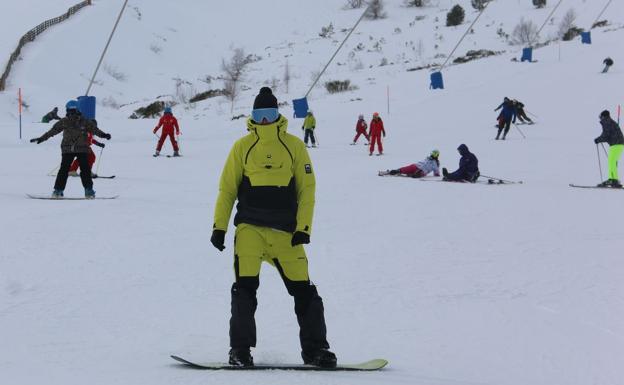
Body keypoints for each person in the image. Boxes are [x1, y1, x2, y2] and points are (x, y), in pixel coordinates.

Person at [210, 87, 336, 368]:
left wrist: (304, 227)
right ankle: (239, 350)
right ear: (252, 116)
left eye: (269, 114)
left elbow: (307, 189)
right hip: (250, 231)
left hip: (286, 234)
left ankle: (316, 349)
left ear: (277, 114)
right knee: (244, 290)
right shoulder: (242, 147)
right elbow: (227, 189)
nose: (264, 121)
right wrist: (220, 226)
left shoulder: (294, 145)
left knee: (305, 291)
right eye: (259, 115)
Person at [29, 100, 111, 198]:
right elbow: (95, 130)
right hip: (80, 149)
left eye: (72, 110)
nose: (71, 112)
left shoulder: (66, 121)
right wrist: (104, 135)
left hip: (70, 149)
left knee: (64, 170)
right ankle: (88, 191)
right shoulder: (83, 121)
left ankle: (58, 191)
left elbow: (53, 131)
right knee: (84, 170)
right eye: (71, 110)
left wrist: (42, 138)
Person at [594, 109, 624, 187]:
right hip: (618, 144)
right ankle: (614, 179)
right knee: (612, 161)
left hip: (616, 144)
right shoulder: (610, 122)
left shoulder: (607, 122)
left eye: (601, 117)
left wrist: (598, 140)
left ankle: (613, 179)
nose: (600, 119)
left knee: (612, 161)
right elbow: (607, 134)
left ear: (604, 116)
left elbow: (606, 135)